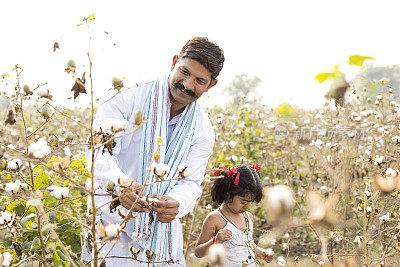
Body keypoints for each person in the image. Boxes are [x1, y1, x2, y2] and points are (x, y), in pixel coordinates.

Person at [83, 37, 224, 266]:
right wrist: (120, 183)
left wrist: (176, 203)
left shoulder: (202, 128)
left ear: (211, 85)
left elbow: (191, 181)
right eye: (184, 72)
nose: (187, 85)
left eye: (199, 81)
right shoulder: (129, 95)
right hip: (109, 226)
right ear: (174, 62)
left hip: (161, 238)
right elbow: (97, 150)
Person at [194, 164, 274, 266]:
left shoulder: (248, 217)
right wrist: (215, 241)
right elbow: (198, 252)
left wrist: (261, 252)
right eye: (243, 202)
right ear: (228, 194)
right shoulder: (214, 218)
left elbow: (247, 244)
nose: (247, 207)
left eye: (251, 202)